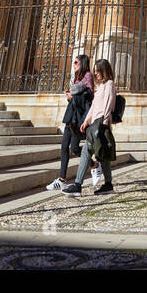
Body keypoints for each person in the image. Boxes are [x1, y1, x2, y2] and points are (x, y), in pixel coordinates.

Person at [45, 54, 104, 191]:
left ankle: (94, 165)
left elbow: (87, 97)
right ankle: (62, 179)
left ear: (82, 63)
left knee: (75, 148)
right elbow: (77, 96)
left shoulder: (88, 76)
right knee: (64, 146)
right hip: (71, 116)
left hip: (79, 118)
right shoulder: (78, 79)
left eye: (76, 62)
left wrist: (73, 96)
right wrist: (71, 98)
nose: (74, 64)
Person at [62, 59, 116, 195]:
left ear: (104, 70)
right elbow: (93, 107)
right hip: (95, 124)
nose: (96, 73)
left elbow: (108, 106)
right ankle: (108, 184)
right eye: (95, 71)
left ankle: (77, 185)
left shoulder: (109, 84)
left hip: (101, 125)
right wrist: (86, 121)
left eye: (98, 70)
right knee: (102, 154)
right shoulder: (101, 87)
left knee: (87, 151)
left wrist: (102, 125)